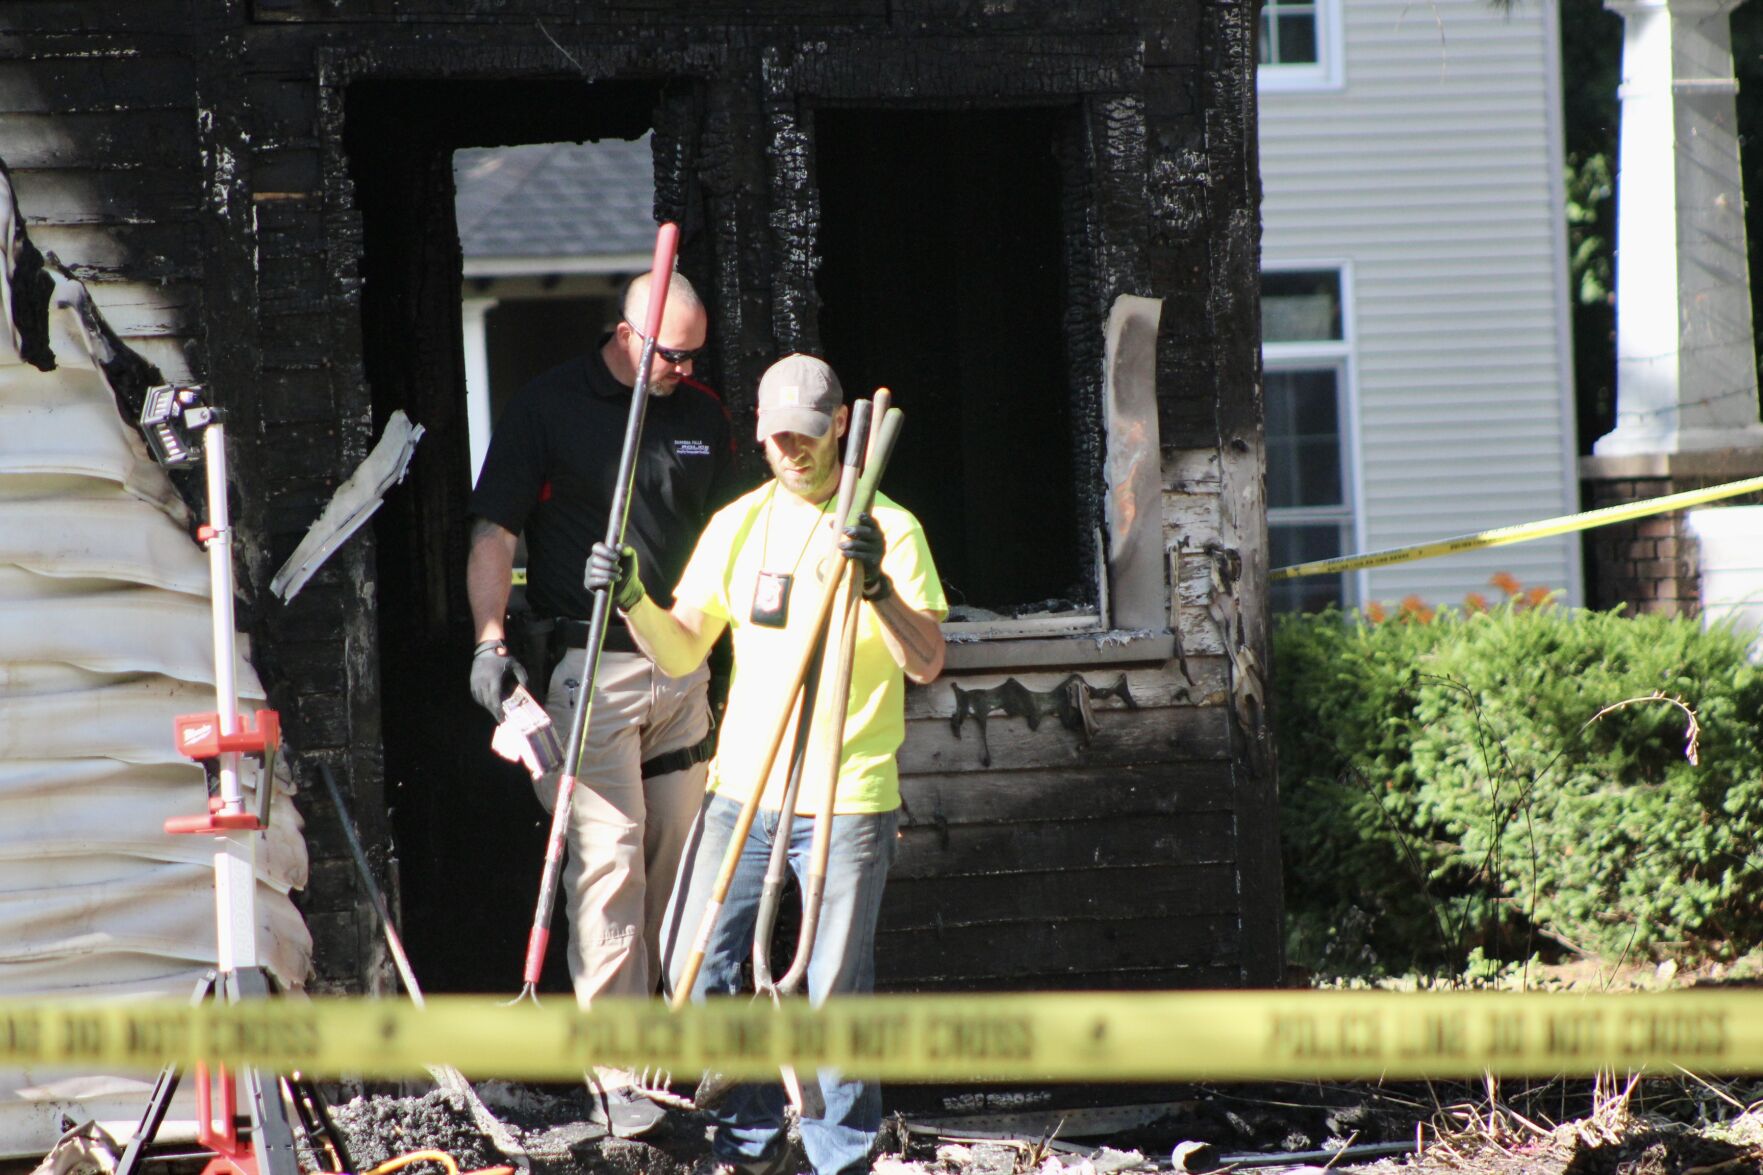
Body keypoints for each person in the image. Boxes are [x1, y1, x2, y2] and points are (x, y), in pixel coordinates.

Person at [587, 353, 947, 1175]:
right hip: (743, 784)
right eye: (778, 435)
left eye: (808, 435)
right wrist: (634, 596)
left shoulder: (891, 529)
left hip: (846, 795)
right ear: (758, 434)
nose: (793, 449)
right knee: (695, 962)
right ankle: (746, 1147)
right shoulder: (739, 525)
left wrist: (878, 587)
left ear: (841, 429)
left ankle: (840, 1156)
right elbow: (683, 653)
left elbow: (927, 661)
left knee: (827, 988)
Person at [465, 271, 736, 1138]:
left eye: (694, 356)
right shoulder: (548, 407)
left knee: (681, 859)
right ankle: (619, 1071)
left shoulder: (702, 415)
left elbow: (728, 541)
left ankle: (677, 1053)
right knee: (611, 856)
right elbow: (494, 530)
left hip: (683, 669)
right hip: (588, 671)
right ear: (625, 333)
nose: (680, 370)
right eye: (668, 354)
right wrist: (488, 641)